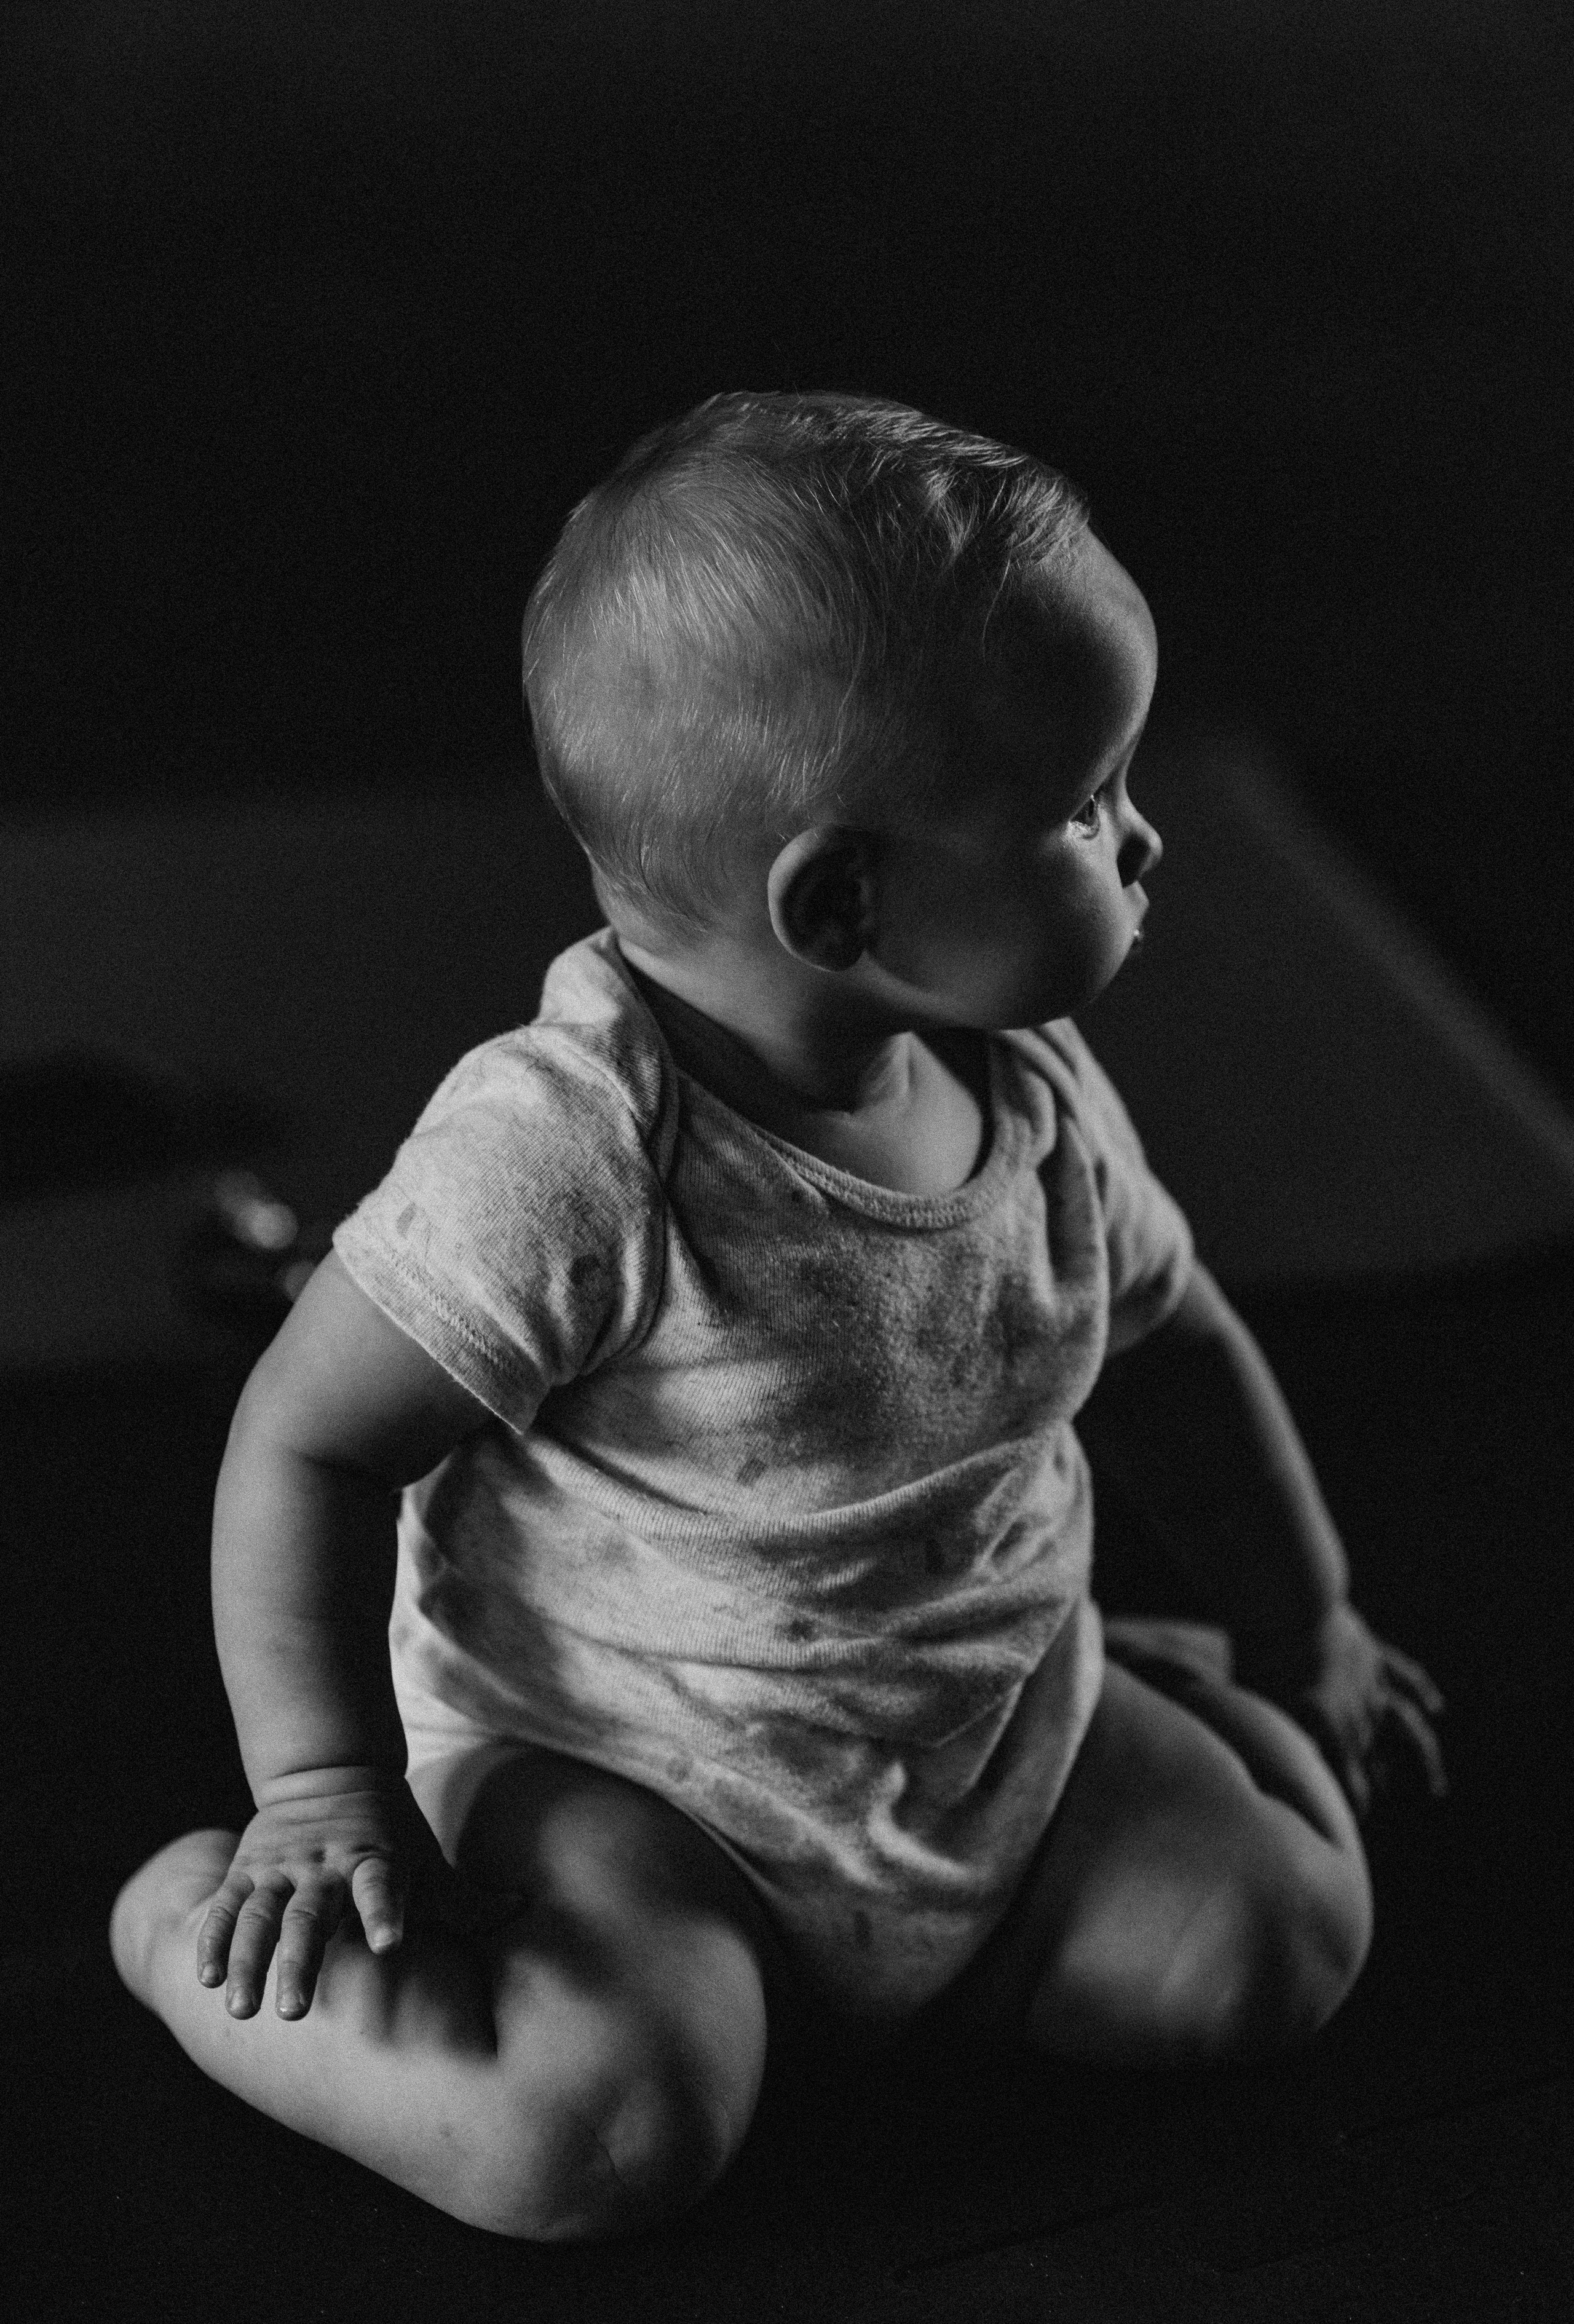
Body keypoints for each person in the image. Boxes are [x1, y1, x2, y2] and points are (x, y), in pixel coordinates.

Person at [110, 392, 1446, 2244]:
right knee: (586, 2138)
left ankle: (1102, 1735)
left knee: (1284, 1941)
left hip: (975, 1719)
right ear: (842, 900)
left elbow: (1177, 1348)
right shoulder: (572, 1153)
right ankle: (187, 1935)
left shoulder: (1032, 1093)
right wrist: (324, 1790)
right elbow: (309, 1435)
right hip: (632, 1775)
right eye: (1085, 804)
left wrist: (1312, 1634)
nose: (1144, 844)